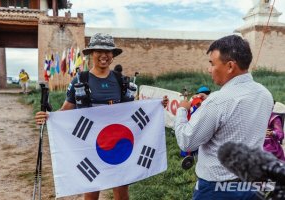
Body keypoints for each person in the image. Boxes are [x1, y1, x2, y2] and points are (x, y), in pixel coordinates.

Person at [35, 33, 168, 200]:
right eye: (99, 50)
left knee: (121, 188)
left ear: (113, 55)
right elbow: (67, 109)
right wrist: (49, 117)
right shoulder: (80, 79)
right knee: (91, 190)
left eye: (108, 51)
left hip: (119, 143)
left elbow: (132, 109)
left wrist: (157, 105)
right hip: (90, 145)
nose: (104, 55)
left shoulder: (120, 80)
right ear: (92, 53)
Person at [174, 35, 274, 200]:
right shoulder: (264, 93)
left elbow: (186, 142)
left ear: (229, 66)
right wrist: (210, 104)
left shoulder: (218, 101)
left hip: (217, 189)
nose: (209, 69)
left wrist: (182, 111)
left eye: (212, 64)